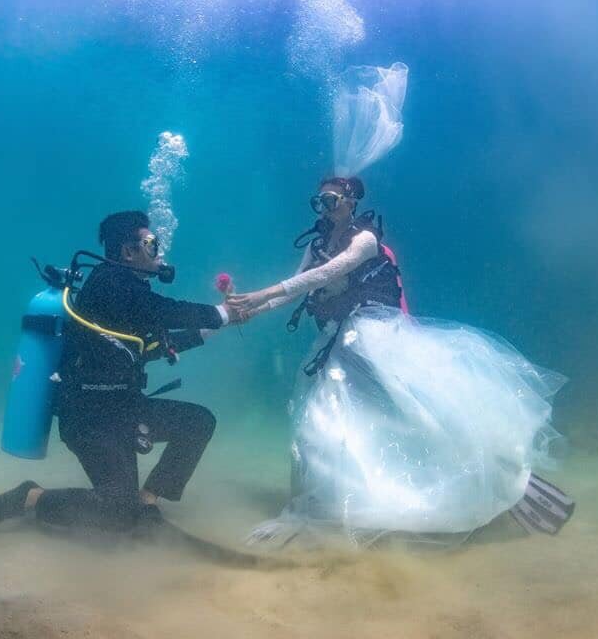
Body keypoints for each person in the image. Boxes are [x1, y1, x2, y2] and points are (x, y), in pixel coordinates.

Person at [229, 177, 573, 544]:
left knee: (421, 414)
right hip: (339, 341)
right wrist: (252, 309)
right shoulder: (317, 244)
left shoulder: (365, 240)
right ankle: (323, 506)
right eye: (318, 202)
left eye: (330, 201)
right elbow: (301, 282)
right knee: (319, 422)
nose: (324, 209)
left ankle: (507, 481)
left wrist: (258, 296)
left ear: (350, 201)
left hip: (373, 339)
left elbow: (327, 274)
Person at [0, 210, 241, 534]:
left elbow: (152, 345)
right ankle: (29, 498)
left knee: (198, 422)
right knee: (116, 513)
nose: (159, 251)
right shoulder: (111, 285)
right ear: (128, 251)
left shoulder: (126, 295)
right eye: (151, 244)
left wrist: (222, 321)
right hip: (89, 419)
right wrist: (223, 314)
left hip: (123, 409)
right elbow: (165, 311)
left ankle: (147, 503)